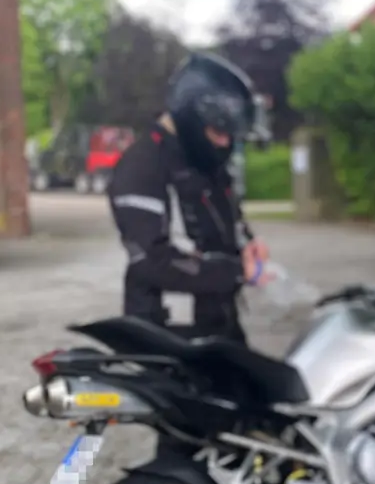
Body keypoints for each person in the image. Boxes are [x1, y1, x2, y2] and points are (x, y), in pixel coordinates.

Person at [106, 51, 271, 344]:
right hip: (168, 332)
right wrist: (235, 272)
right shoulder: (142, 165)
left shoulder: (205, 157)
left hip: (218, 321)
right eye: (219, 131)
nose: (226, 142)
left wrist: (247, 244)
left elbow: (227, 214)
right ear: (191, 115)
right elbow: (152, 258)